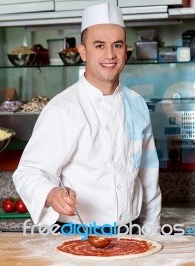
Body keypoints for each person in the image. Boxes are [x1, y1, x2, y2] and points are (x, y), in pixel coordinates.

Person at [12, 3, 161, 235]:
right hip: (78, 233)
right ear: (83, 52)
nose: (110, 55)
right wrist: (51, 194)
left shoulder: (137, 104)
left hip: (131, 231)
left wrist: (152, 233)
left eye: (117, 45)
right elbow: (28, 172)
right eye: (99, 45)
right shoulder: (62, 108)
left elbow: (149, 178)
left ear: (125, 51)